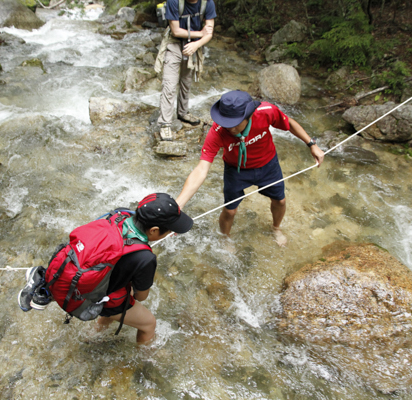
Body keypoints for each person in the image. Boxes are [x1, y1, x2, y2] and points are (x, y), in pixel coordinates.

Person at [18, 193, 193, 344]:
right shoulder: (145, 257)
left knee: (112, 298)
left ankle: (93, 334)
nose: (171, 233)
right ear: (154, 231)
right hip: (103, 297)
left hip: (86, 279)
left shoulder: (120, 215)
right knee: (148, 324)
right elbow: (142, 296)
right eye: (170, 230)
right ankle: (145, 362)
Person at [175, 90, 324, 246]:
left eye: (233, 123)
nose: (228, 128)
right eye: (225, 122)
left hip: (268, 165)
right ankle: (225, 238)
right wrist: (178, 205)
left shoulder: (266, 112)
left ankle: (276, 228)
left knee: (280, 201)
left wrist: (311, 145)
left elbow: (289, 123)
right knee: (230, 210)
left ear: (249, 116)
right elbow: (201, 169)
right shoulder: (218, 131)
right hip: (235, 171)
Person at [155, 0, 216, 141]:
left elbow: (209, 31)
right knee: (169, 84)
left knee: (186, 81)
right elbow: (175, 30)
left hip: (194, 44)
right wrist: (199, 33)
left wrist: (196, 44)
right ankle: (165, 123)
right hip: (174, 42)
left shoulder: (208, 3)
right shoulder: (174, 2)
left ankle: (182, 113)